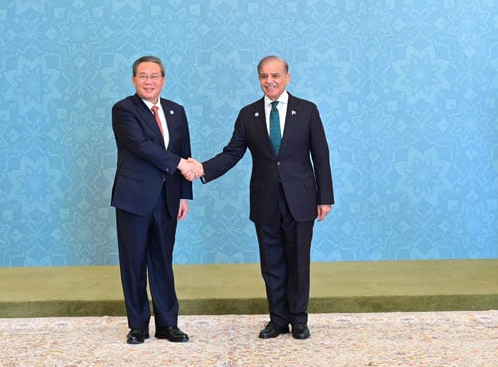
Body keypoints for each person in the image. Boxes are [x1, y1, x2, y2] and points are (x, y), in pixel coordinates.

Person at [186, 55, 334, 340]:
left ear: (287, 77)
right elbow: (233, 152)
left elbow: (321, 155)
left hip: (301, 200)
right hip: (265, 200)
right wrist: (202, 168)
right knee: (272, 264)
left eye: (276, 75)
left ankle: (299, 320)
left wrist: (324, 197)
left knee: (299, 263)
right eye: (264, 76)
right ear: (259, 79)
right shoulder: (248, 114)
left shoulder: (307, 111)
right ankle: (277, 320)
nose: (270, 81)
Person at [110, 55, 200, 344]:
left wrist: (184, 195)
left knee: (163, 261)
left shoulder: (176, 111)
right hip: (133, 199)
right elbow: (141, 146)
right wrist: (180, 164)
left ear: (163, 79)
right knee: (134, 263)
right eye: (143, 76)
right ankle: (138, 326)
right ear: (134, 79)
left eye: (155, 76)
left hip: (168, 199)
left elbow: (184, 149)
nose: (149, 81)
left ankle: (167, 324)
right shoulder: (123, 110)